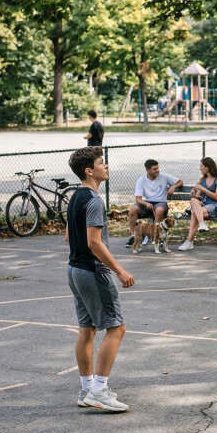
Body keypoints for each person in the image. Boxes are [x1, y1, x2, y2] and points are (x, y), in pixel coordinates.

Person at [65, 146, 134, 412]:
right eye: (101, 162)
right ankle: (100, 391)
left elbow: (70, 237)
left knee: (88, 329)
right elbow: (94, 242)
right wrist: (119, 270)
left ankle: (87, 389)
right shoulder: (94, 200)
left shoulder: (75, 197)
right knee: (116, 328)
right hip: (93, 272)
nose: (106, 166)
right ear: (89, 170)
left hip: (74, 270)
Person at [126, 160, 183, 247]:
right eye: (154, 169)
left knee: (159, 210)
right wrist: (146, 204)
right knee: (133, 210)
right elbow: (138, 199)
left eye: (157, 168)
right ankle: (134, 236)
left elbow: (180, 181)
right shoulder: (141, 180)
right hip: (146, 203)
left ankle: (157, 236)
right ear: (147, 170)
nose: (157, 170)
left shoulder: (164, 176)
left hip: (160, 203)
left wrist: (173, 186)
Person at [178, 157, 217, 251]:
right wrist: (194, 193)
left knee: (194, 213)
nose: (200, 168)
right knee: (193, 201)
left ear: (207, 167)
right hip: (203, 204)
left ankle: (189, 242)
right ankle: (202, 224)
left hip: (214, 205)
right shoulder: (203, 179)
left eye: (201, 166)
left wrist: (203, 189)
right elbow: (197, 197)